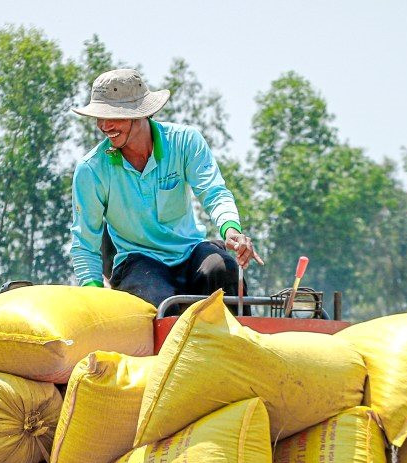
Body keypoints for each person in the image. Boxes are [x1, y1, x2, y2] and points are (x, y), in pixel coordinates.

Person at [69, 68, 262, 313]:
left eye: (114, 116)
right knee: (157, 300)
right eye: (100, 117)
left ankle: (233, 347)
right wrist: (94, 295)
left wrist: (231, 229)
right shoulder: (92, 170)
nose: (105, 126)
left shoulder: (185, 142)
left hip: (190, 250)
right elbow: (84, 242)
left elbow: (214, 191)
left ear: (141, 114)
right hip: (137, 260)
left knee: (221, 269)